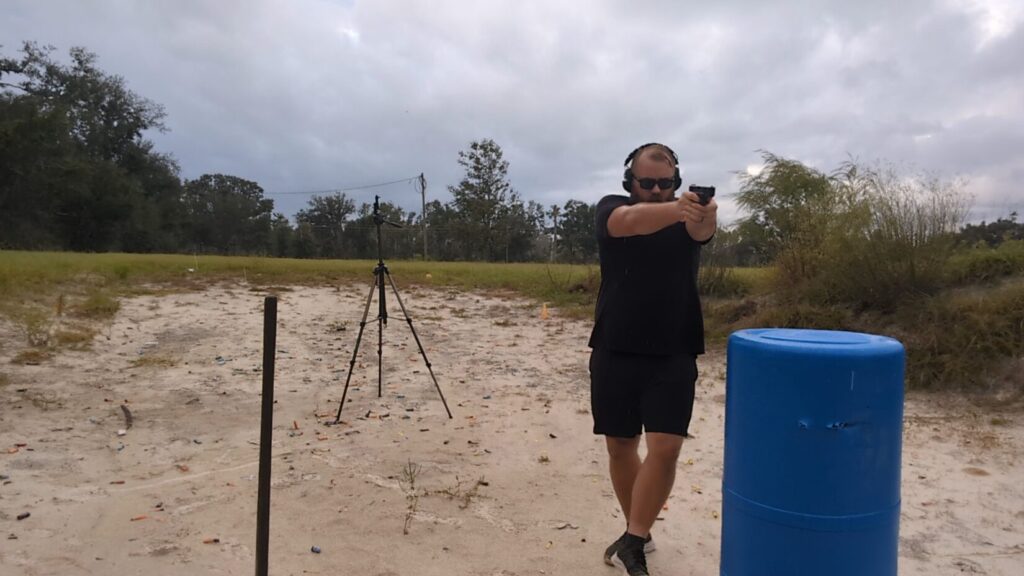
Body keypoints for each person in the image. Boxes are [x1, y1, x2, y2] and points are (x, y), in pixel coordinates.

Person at [588, 143, 717, 576]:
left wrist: (704, 211)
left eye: (666, 183)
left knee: (666, 446)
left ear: (677, 182)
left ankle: (635, 538)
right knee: (621, 445)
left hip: (674, 348)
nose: (657, 190)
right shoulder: (613, 207)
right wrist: (681, 208)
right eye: (648, 183)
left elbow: (702, 231)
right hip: (616, 345)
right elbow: (629, 222)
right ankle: (635, 530)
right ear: (630, 182)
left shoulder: (688, 219)